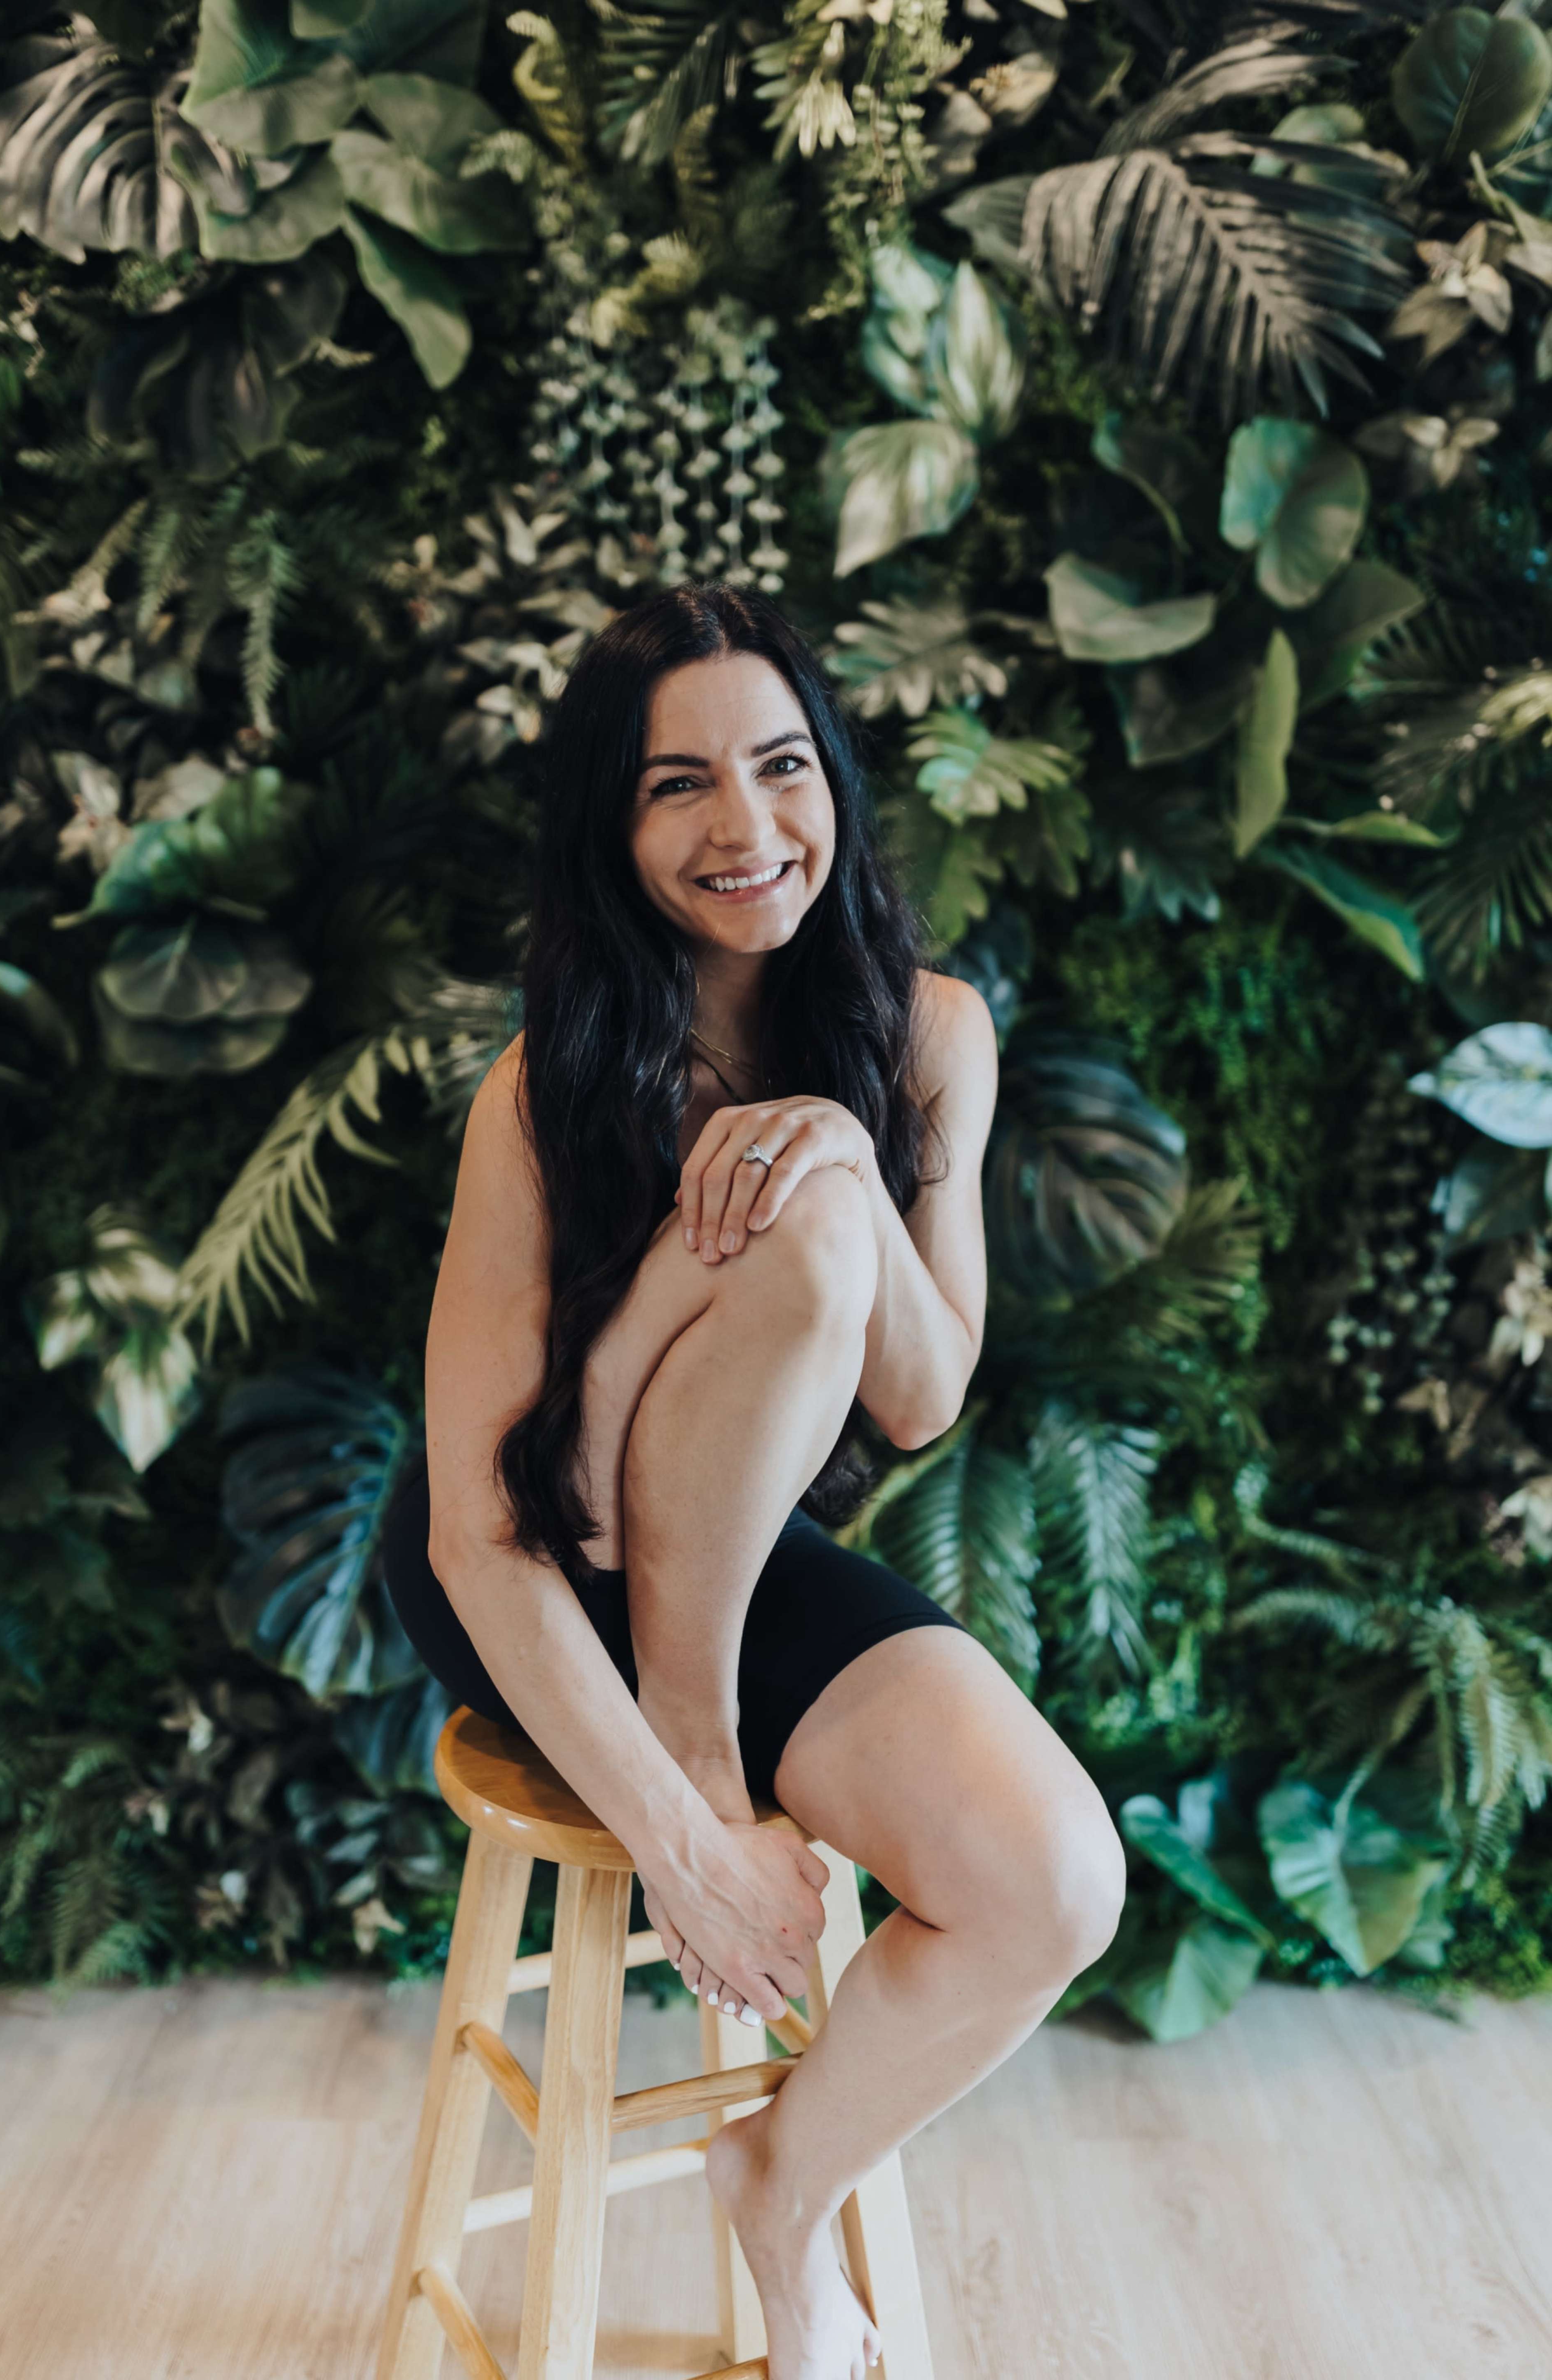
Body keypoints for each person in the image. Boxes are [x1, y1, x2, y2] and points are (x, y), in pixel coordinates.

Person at [381, 579, 1126, 2380]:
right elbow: (491, 1527)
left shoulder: (928, 1031)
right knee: (774, 1229)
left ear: (837, 782)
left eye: (784, 766)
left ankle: (777, 2188)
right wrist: (674, 1821)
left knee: (1056, 1884)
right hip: (541, 1562)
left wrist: (855, 1163)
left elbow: (927, 1391)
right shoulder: (540, 1087)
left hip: (726, 1541)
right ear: (610, 823)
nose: (747, 827)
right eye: (677, 784)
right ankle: (701, 1744)